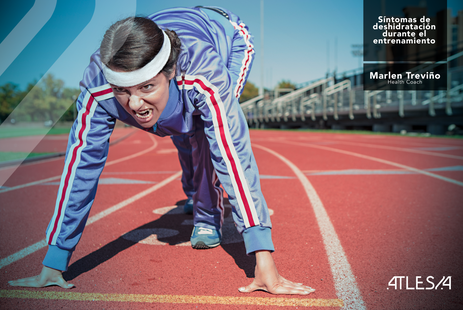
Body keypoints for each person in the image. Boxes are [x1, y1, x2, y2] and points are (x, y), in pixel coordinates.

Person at [9, 6, 315, 295]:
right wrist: (54, 261)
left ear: (168, 72)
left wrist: (263, 260)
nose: (134, 105)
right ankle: (193, 190)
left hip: (226, 36)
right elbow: (80, 169)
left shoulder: (203, 73)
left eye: (146, 87)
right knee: (179, 128)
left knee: (207, 134)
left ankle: (207, 215)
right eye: (122, 91)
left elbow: (232, 154)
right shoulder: (97, 88)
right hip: (164, 39)